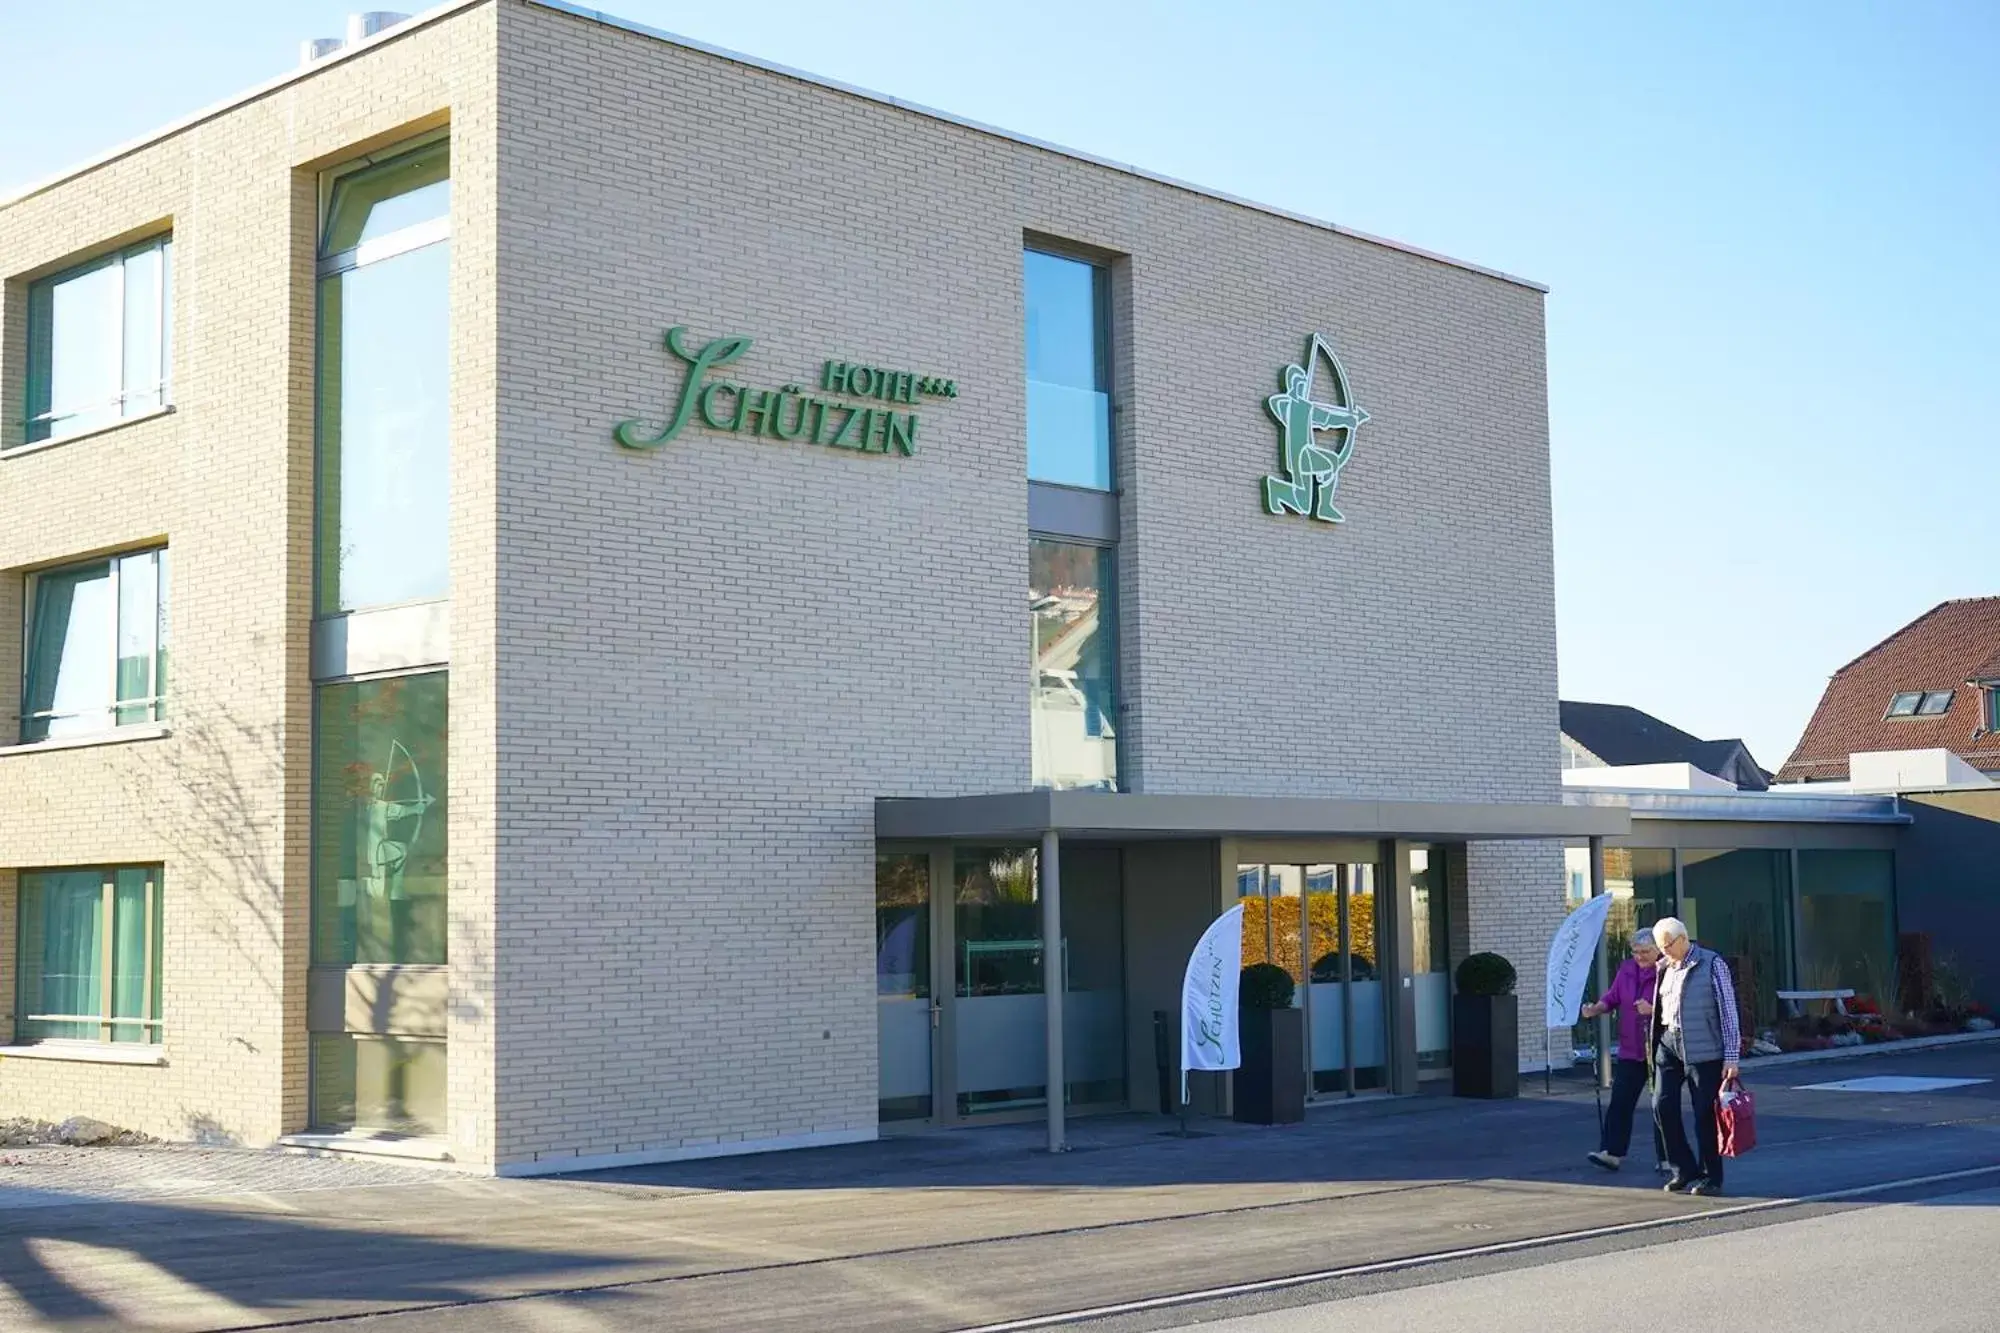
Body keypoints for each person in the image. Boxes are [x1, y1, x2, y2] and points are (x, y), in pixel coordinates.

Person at [1649, 917, 1741, 1197]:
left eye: (1667, 945)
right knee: (1661, 1105)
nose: (1664, 951)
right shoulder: (1664, 967)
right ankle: (1684, 1168)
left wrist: (1731, 1056)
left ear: (1683, 939)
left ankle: (1712, 1176)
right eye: (1660, 947)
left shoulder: (1712, 964)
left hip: (1705, 1049)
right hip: (1669, 1043)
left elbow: (1728, 1011)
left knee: (1704, 1115)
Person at [1581, 929, 1670, 1174]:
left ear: (1658, 950)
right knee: (1620, 1101)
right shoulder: (1627, 970)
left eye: (1645, 952)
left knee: (1661, 1104)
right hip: (1631, 1048)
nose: (1639, 957)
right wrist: (1595, 1008)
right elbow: (1612, 998)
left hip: (1658, 1048)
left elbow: (1676, 1008)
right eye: (1636, 952)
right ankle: (1611, 1152)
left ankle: (1667, 1157)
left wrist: (1652, 1010)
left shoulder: (1667, 971)